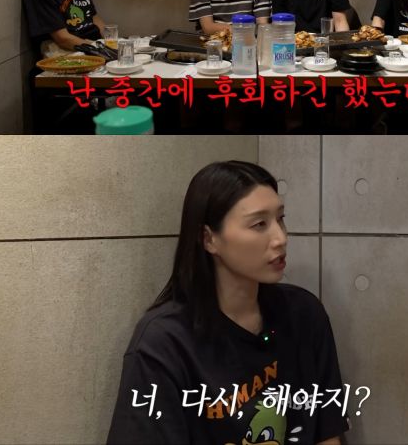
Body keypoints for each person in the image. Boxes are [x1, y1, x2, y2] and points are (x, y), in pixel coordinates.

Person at [107, 161, 349, 445]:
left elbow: (328, 434)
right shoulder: (164, 342)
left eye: (280, 219)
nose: (280, 238)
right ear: (209, 239)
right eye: (259, 224)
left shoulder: (304, 314)